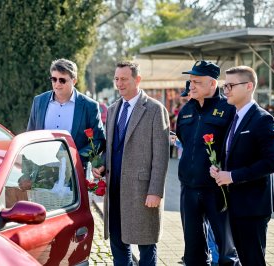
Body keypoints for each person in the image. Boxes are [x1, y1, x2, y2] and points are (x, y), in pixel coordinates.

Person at [92, 61, 170, 265]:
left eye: (124, 79)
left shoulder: (155, 109)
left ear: (137, 79)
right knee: (118, 243)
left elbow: (161, 155)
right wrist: (101, 164)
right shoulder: (112, 109)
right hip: (115, 189)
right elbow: (112, 146)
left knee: (146, 246)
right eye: (116, 79)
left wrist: (156, 191)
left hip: (143, 191)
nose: (119, 83)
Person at [210, 66, 274, 265]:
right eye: (225, 86)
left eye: (231, 85)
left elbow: (271, 163)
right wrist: (218, 168)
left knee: (253, 260)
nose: (226, 90)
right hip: (235, 205)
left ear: (249, 86)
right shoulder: (234, 117)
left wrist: (232, 176)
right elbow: (234, 154)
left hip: (253, 207)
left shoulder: (263, 119)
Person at [176, 60, 240, 265]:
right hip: (189, 188)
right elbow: (184, 141)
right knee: (193, 252)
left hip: (217, 190)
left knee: (226, 251)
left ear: (213, 84)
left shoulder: (229, 110)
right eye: (191, 80)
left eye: (197, 81)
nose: (191, 85)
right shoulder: (186, 110)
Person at [27, 58, 105, 167]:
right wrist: (27, 171)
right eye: (54, 79)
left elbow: (99, 140)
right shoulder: (39, 101)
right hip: (41, 171)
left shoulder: (89, 106)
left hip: (74, 173)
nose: (57, 84)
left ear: (74, 81)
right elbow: (30, 136)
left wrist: (75, 157)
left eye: (62, 80)